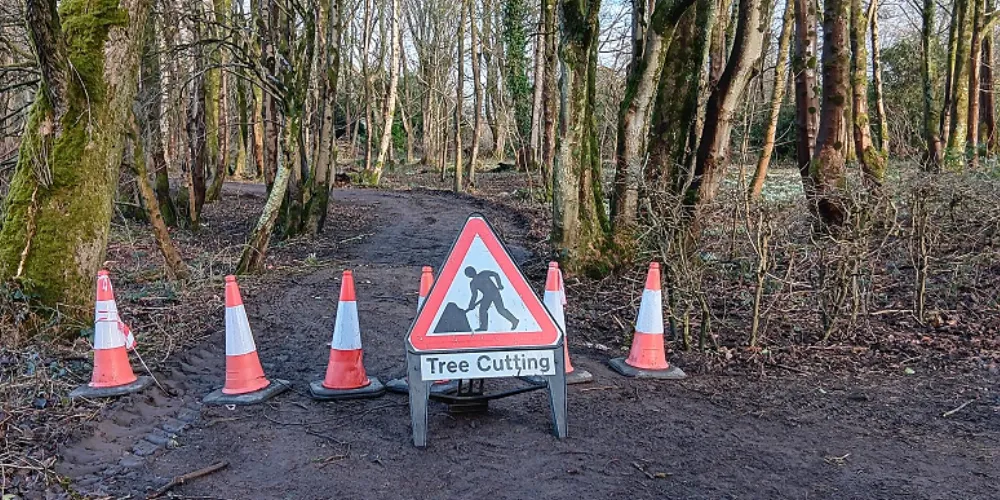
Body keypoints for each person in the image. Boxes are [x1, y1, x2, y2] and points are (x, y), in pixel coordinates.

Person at [464, 266, 518, 331]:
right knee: (482, 310)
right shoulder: (473, 283)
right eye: (469, 273)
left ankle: (514, 320)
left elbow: (495, 274)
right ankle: (483, 327)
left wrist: (499, 284)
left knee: (500, 310)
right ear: (468, 276)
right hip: (486, 296)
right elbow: (474, 295)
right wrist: (471, 304)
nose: (471, 274)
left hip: (495, 293)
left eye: (471, 272)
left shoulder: (483, 273)